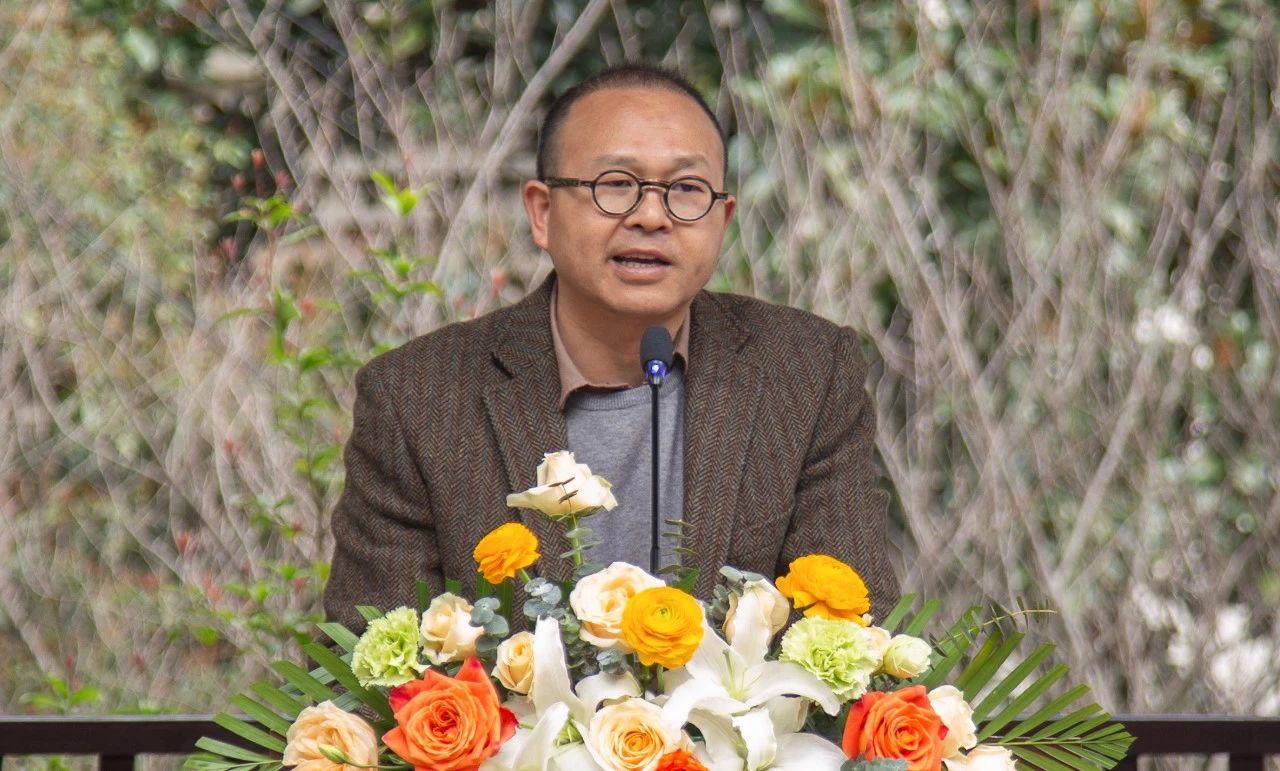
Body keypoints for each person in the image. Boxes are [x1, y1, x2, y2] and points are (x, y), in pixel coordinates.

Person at [323, 64, 898, 632]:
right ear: (542, 213)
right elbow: (370, 657)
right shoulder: (419, 398)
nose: (651, 216)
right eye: (616, 185)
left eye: (686, 189)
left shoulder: (805, 372)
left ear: (722, 221)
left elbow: (856, 642)